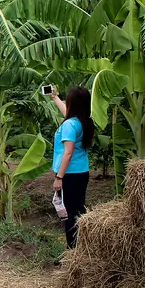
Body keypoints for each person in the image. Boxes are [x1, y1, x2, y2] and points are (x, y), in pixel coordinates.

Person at [50, 86, 93, 251]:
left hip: (70, 175)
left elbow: (68, 153)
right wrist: (55, 98)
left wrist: (59, 178)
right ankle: (79, 249)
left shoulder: (69, 125)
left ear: (72, 103)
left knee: (69, 214)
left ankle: (72, 252)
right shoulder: (83, 121)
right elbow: (67, 114)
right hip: (81, 172)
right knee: (78, 211)